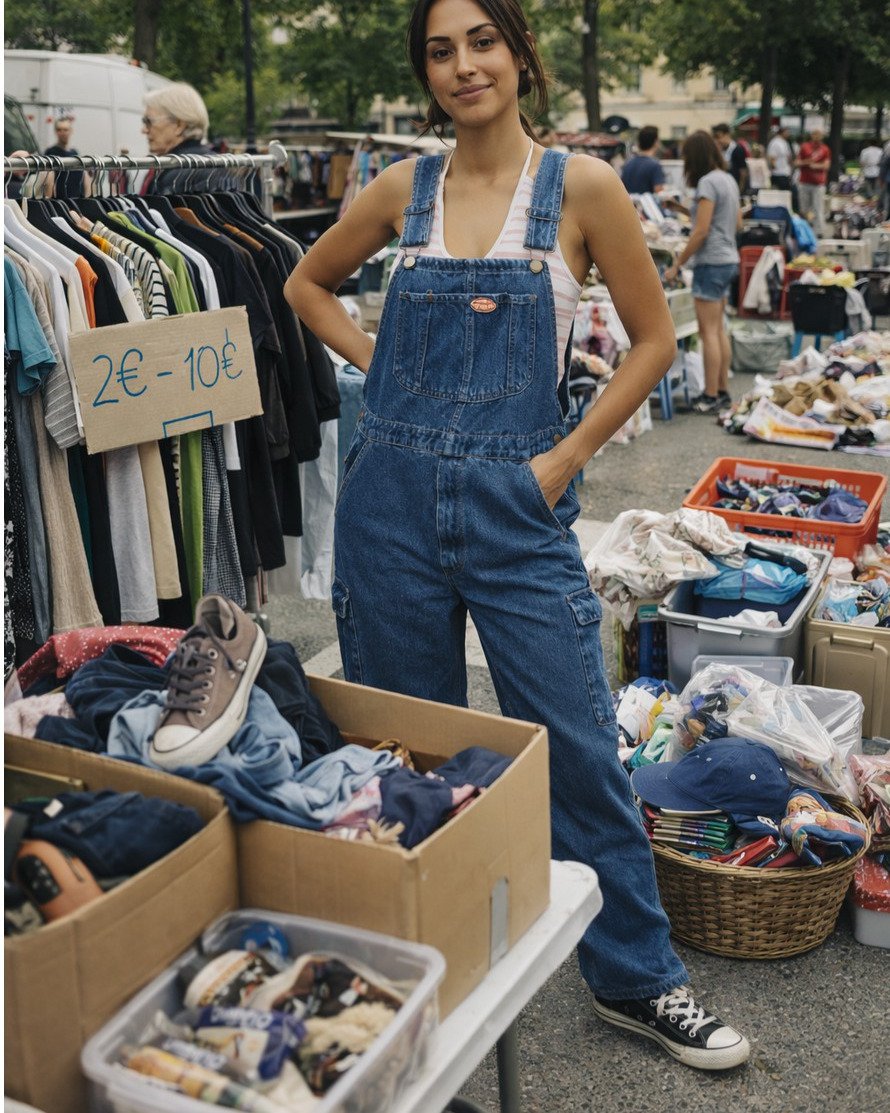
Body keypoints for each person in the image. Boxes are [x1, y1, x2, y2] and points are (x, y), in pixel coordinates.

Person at [285, 0, 749, 1072]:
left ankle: (638, 979)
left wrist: (563, 456)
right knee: (411, 750)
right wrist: (376, 364)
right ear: (425, 72)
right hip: (388, 509)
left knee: (577, 744)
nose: (462, 67)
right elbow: (302, 281)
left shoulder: (577, 187)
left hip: (517, 505)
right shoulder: (404, 189)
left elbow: (646, 342)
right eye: (440, 51)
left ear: (519, 53)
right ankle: (427, 979)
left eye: (481, 42)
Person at [663, 130, 740, 415]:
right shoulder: (727, 179)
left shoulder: (707, 182)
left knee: (707, 332)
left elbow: (701, 231)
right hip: (728, 258)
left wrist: (677, 264)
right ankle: (721, 390)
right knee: (718, 329)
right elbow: (735, 221)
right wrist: (682, 208)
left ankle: (709, 395)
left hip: (711, 262)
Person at [141, 82, 214, 194]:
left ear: (179, 125)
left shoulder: (174, 178)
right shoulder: (217, 163)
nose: (144, 130)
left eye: (148, 122)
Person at [795, 127, 831, 236]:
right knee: (804, 208)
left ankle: (819, 232)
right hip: (804, 182)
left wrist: (814, 166)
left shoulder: (825, 149)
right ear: (811, 135)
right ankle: (803, 230)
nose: (816, 136)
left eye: (818, 134)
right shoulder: (805, 147)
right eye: (814, 134)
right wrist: (807, 162)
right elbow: (796, 163)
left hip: (818, 183)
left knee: (818, 208)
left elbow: (826, 165)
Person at [43, 116, 86, 199]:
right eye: (59, 130)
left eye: (65, 129)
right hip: (58, 201)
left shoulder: (75, 154)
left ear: (71, 131)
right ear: (56, 132)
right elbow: (48, 182)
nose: (62, 133)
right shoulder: (50, 153)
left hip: (76, 200)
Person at [621, 125, 666, 194]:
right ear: (655, 142)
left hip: (630, 203)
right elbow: (659, 192)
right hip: (647, 204)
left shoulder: (628, 163)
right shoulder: (655, 165)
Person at [712, 123, 748, 195]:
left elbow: (743, 172)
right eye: (715, 138)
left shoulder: (738, 149)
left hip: (734, 189)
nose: (718, 140)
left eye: (719, 137)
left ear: (727, 135)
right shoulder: (720, 150)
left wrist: (739, 191)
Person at [766, 125, 793, 193]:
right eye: (787, 132)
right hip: (778, 174)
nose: (788, 134)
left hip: (785, 173)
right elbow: (772, 158)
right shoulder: (775, 143)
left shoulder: (784, 142)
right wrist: (774, 168)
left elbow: (788, 157)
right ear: (782, 132)